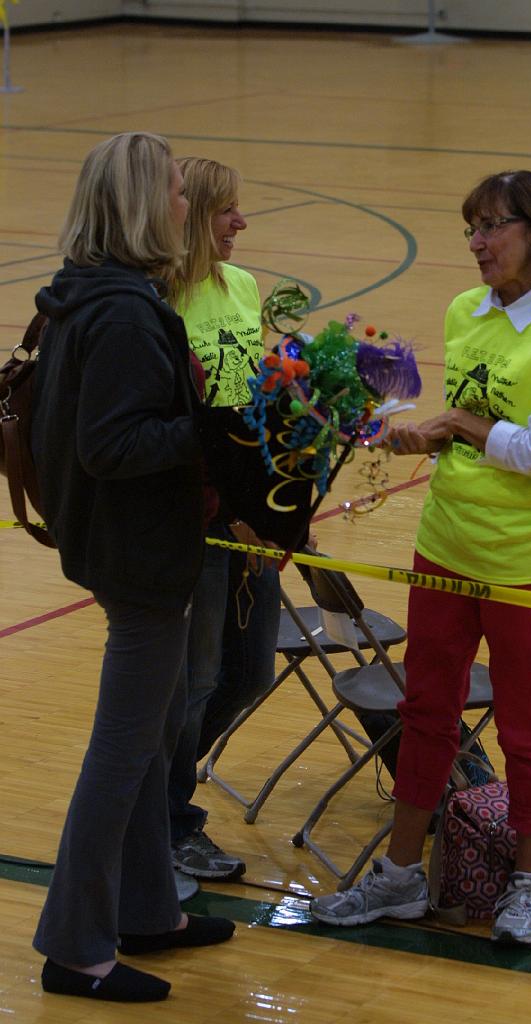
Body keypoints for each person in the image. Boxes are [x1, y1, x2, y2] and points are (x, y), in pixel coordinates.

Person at [310, 169, 531, 946]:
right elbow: (469, 431)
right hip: (445, 546)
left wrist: (463, 426)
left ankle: (526, 881)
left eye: (491, 227)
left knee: (524, 728)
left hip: (529, 563)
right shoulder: (464, 312)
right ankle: (402, 877)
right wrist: (417, 434)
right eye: (469, 229)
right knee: (425, 714)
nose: (476, 244)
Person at [30, 132, 235, 1004]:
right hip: (137, 554)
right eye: (180, 193)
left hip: (125, 546)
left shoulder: (101, 293)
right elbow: (113, 445)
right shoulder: (119, 311)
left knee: (148, 746)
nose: (188, 206)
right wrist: (212, 434)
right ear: (148, 204)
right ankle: (76, 946)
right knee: (122, 752)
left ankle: (150, 907)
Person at [164, 157, 281, 880]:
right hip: (195, 517)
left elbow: (250, 407)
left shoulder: (242, 286)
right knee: (198, 679)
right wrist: (228, 507)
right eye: (224, 211)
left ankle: (157, 792)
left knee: (250, 674)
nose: (240, 222)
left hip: (251, 514)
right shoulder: (158, 301)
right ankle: (172, 819)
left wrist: (280, 504)